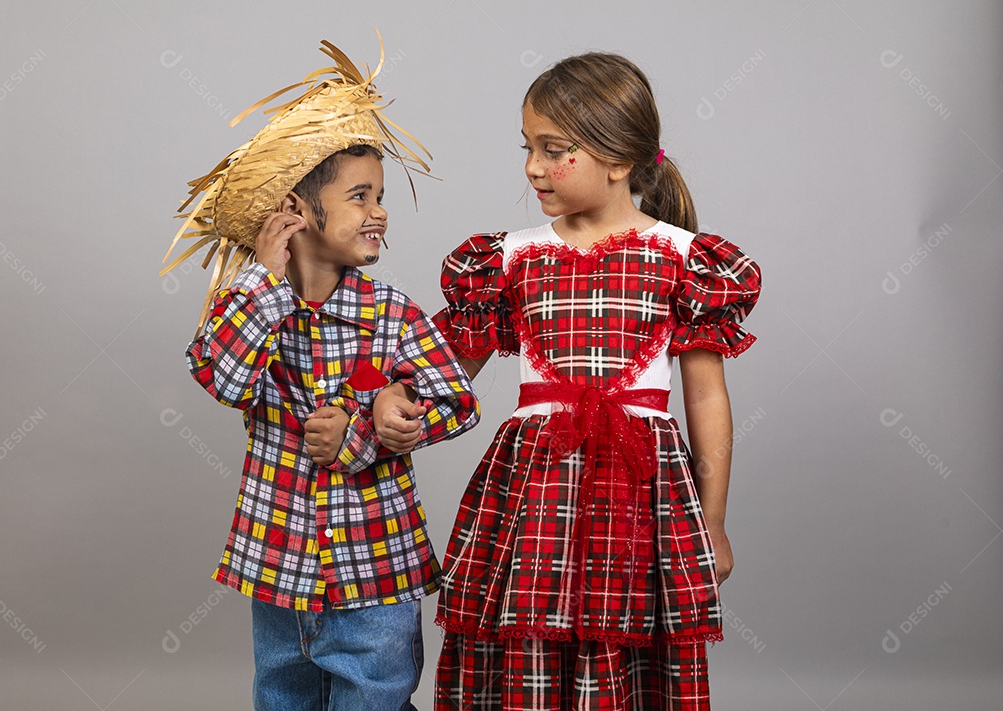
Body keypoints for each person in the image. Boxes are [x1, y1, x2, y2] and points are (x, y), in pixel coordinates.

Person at [431, 51, 762, 710]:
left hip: (643, 488)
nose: (532, 167)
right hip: (535, 488)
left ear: (618, 159)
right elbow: (444, 373)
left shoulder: (685, 259)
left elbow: (705, 398)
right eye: (528, 148)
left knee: (631, 635)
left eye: (554, 150)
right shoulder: (509, 259)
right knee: (527, 626)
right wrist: (387, 404)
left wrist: (714, 521)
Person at [167, 38, 479, 711]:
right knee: (281, 697)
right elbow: (222, 379)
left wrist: (380, 422)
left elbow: (458, 399)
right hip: (280, 574)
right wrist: (263, 283)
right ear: (298, 212)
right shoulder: (250, 309)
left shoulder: (391, 312)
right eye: (359, 196)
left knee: (373, 697)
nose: (380, 212)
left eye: (381, 196)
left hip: (376, 575)